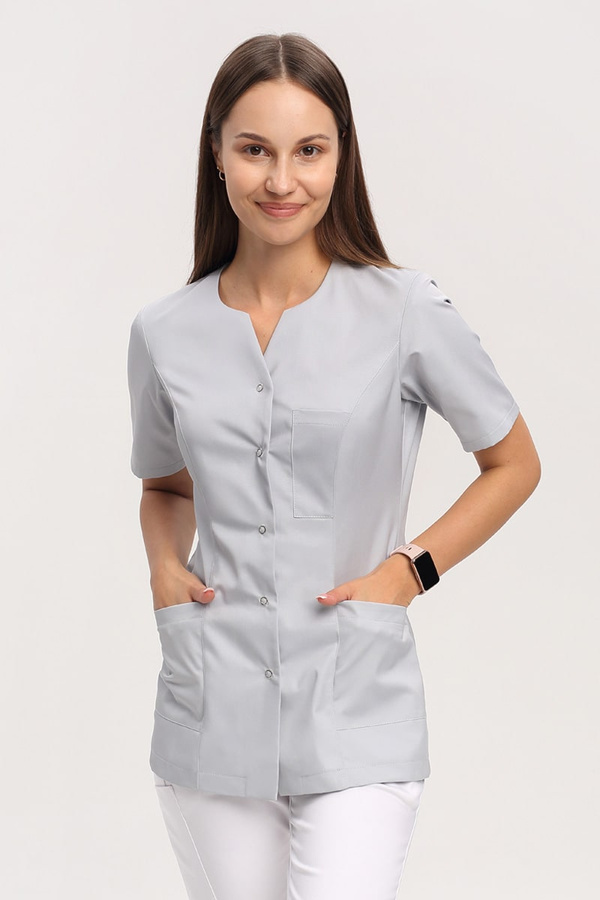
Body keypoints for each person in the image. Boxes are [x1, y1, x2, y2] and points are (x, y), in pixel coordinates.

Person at [126, 31, 541, 900]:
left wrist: (408, 571)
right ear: (216, 153)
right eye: (255, 150)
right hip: (212, 710)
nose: (282, 181)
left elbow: (513, 462)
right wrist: (165, 565)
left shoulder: (405, 310)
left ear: (341, 156)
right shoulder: (165, 332)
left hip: (357, 705)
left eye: (308, 151)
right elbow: (166, 486)